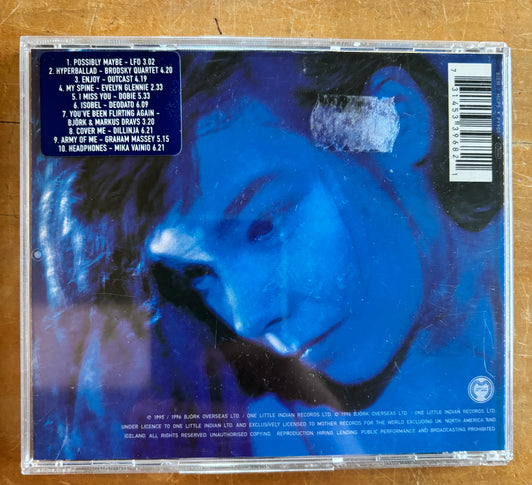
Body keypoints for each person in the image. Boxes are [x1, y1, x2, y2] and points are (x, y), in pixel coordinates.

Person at [32, 51, 505, 460]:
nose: (247, 317)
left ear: (395, 122)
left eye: (264, 226)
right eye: (198, 273)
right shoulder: (256, 440)